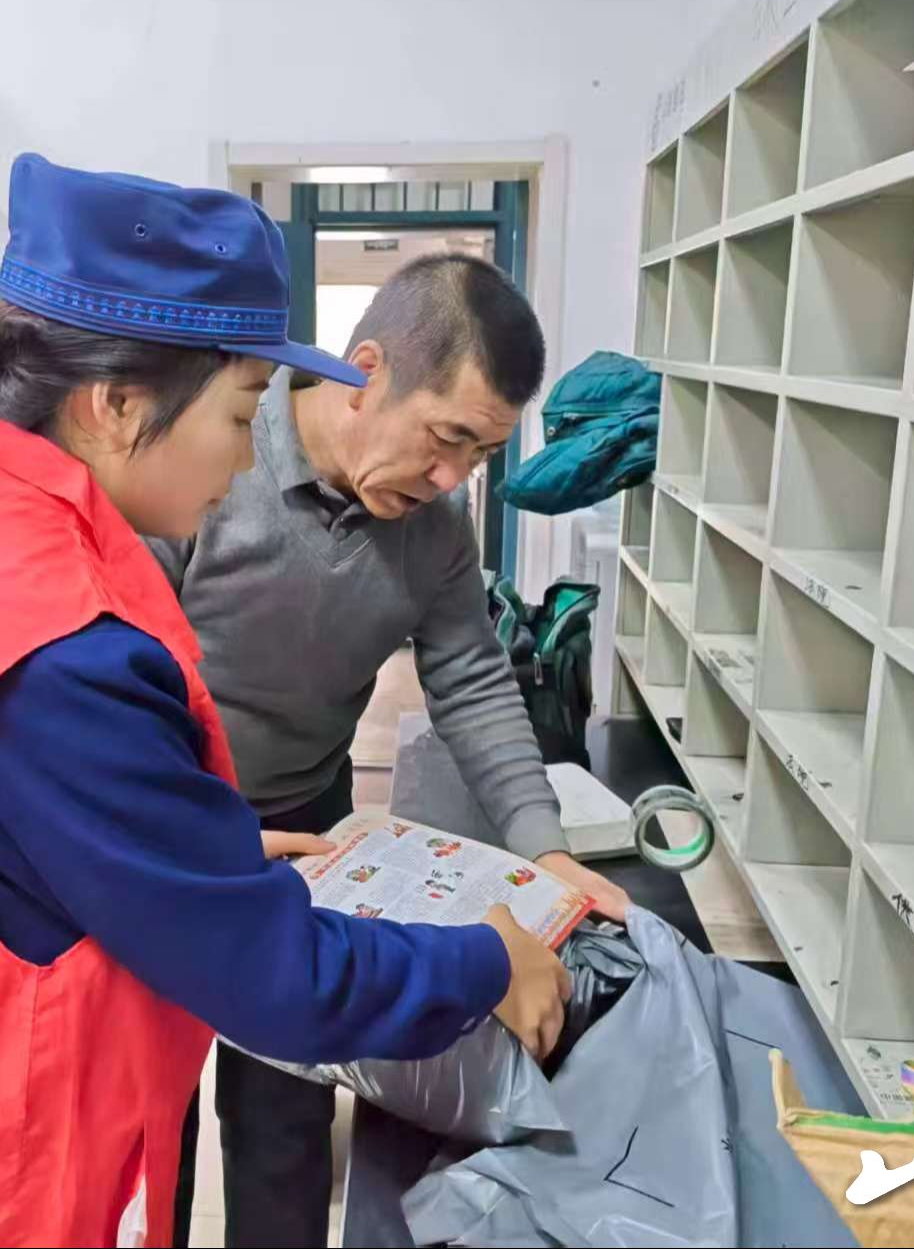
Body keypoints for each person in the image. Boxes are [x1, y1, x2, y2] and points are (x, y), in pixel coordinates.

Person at [0, 154, 571, 1249]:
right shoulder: (66, 649)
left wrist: (182, 846)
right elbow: (274, 975)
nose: (241, 459)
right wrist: (488, 960)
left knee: (267, 1127)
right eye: (239, 413)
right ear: (117, 406)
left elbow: (31, 834)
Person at [152, 252, 636, 1247]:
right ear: (365, 372)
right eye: (445, 438)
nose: (452, 478)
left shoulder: (436, 530)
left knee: (284, 1106)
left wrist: (545, 851)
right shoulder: (213, 462)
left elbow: (472, 682)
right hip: (172, 824)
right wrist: (183, 838)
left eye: (479, 455)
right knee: (150, 1103)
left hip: (308, 823)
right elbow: (123, 666)